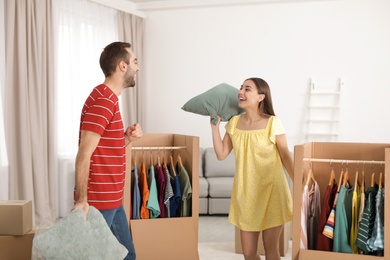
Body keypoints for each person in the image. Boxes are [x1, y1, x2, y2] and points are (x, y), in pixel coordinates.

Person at [73, 41, 143, 260]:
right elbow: (84, 154)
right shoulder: (103, 101)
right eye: (134, 62)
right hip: (98, 202)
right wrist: (82, 201)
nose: (137, 68)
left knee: (127, 254)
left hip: (112, 198)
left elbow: (103, 150)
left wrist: (126, 138)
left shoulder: (109, 99)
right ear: (123, 66)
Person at [210, 77, 294, 260]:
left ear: (261, 97)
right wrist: (215, 128)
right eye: (241, 88)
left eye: (247, 89)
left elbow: (286, 156)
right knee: (248, 253)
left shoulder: (273, 122)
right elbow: (221, 153)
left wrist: (300, 183)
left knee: (271, 250)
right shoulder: (233, 123)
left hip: (272, 192)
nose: (241, 92)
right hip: (246, 194)